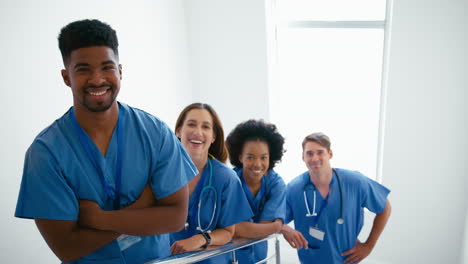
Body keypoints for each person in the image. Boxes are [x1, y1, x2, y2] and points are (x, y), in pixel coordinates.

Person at [14, 19, 197, 264]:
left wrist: (97, 219)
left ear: (120, 70)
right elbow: (67, 248)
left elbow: (174, 217)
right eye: (83, 69)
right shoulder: (46, 153)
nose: (97, 79)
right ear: (66, 77)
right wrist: (140, 210)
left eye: (106, 67)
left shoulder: (155, 134)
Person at [281, 132, 391, 264]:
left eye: (320, 152)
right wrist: (284, 228)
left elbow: (385, 208)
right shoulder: (293, 189)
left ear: (330, 154)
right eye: (309, 153)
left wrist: (368, 246)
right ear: (303, 157)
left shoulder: (354, 182)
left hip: (346, 260)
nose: (315, 158)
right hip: (311, 260)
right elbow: (274, 218)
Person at [169, 103, 253, 263]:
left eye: (206, 127)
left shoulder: (226, 178)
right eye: (191, 124)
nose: (198, 132)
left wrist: (201, 239)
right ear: (179, 131)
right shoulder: (162, 173)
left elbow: (228, 231)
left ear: (213, 136)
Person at [226, 119, 287, 264]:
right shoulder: (230, 181)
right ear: (240, 157)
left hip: (260, 257)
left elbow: (256, 228)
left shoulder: (276, 184)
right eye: (250, 157)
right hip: (231, 257)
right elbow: (235, 229)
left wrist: (245, 229)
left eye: (263, 157)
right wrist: (275, 226)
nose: (258, 164)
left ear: (270, 157)